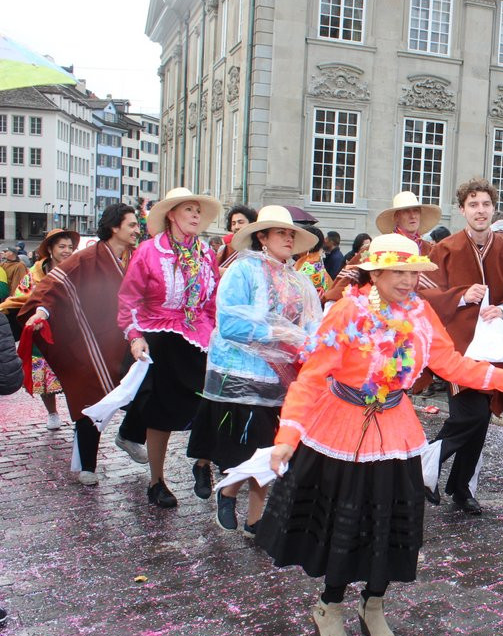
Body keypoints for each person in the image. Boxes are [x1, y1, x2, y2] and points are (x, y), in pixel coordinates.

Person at [256, 233, 503, 636]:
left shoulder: (421, 312)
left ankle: (375, 602)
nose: (408, 281)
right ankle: (330, 606)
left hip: (397, 427)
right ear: (376, 272)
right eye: (399, 272)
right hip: (344, 430)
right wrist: (285, 440)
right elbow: (312, 378)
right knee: (346, 522)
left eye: (413, 272)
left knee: (391, 519)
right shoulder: (348, 311)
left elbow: (450, 363)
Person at [186, 206, 321, 535]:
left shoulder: (299, 279)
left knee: (272, 448)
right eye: (280, 233)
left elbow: (311, 324)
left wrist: (316, 343)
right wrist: (278, 332)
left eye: (291, 233)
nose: (288, 238)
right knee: (251, 446)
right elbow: (230, 322)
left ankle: (255, 519)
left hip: (281, 378)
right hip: (243, 375)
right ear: (262, 237)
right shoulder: (243, 270)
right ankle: (229, 490)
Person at [417, 179, 503, 515]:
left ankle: (462, 488)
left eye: (485, 204)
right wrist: (461, 296)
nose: (480, 210)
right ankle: (425, 463)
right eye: (473, 204)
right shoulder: (446, 249)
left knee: (480, 421)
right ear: (463, 209)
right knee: (472, 415)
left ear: (493, 208)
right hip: (459, 349)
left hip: (494, 349)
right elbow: (427, 293)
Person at [20, 205, 148, 484]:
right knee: (90, 396)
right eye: (131, 225)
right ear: (115, 228)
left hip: (128, 337)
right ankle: (87, 465)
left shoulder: (135, 257)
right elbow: (52, 286)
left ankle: (129, 434)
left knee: (149, 382)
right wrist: (42, 312)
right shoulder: (88, 257)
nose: (137, 230)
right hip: (92, 338)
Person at [118, 187, 221, 508]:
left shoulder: (205, 253)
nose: (195, 215)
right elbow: (129, 299)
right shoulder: (150, 251)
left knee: (214, 402)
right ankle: (156, 480)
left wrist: (219, 335)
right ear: (172, 215)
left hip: (199, 336)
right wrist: (135, 336)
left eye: (198, 211)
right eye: (188, 209)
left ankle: (203, 463)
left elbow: (213, 301)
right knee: (160, 414)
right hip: (160, 336)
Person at [0, 228, 78, 431]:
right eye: (62, 246)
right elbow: (21, 298)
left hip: (72, 334)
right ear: (50, 249)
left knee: (76, 377)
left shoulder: (78, 270)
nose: (67, 251)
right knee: (45, 379)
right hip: (42, 333)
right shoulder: (34, 274)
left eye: (70, 247)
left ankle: (80, 414)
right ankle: (52, 413)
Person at [324, 192, 440, 304]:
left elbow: (440, 287)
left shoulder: (430, 250)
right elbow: (347, 279)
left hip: (418, 313)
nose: (413, 215)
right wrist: (333, 301)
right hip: (380, 313)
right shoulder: (378, 248)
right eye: (406, 211)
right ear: (396, 217)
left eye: (416, 211)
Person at [293, 223, 331, 298]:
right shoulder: (315, 261)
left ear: (310, 244)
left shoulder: (310, 267)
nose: (293, 242)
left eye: (298, 239)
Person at [219, 205, 258, 270]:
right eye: (233, 223)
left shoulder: (260, 249)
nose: (236, 227)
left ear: (251, 224)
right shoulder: (225, 249)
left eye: (241, 222)